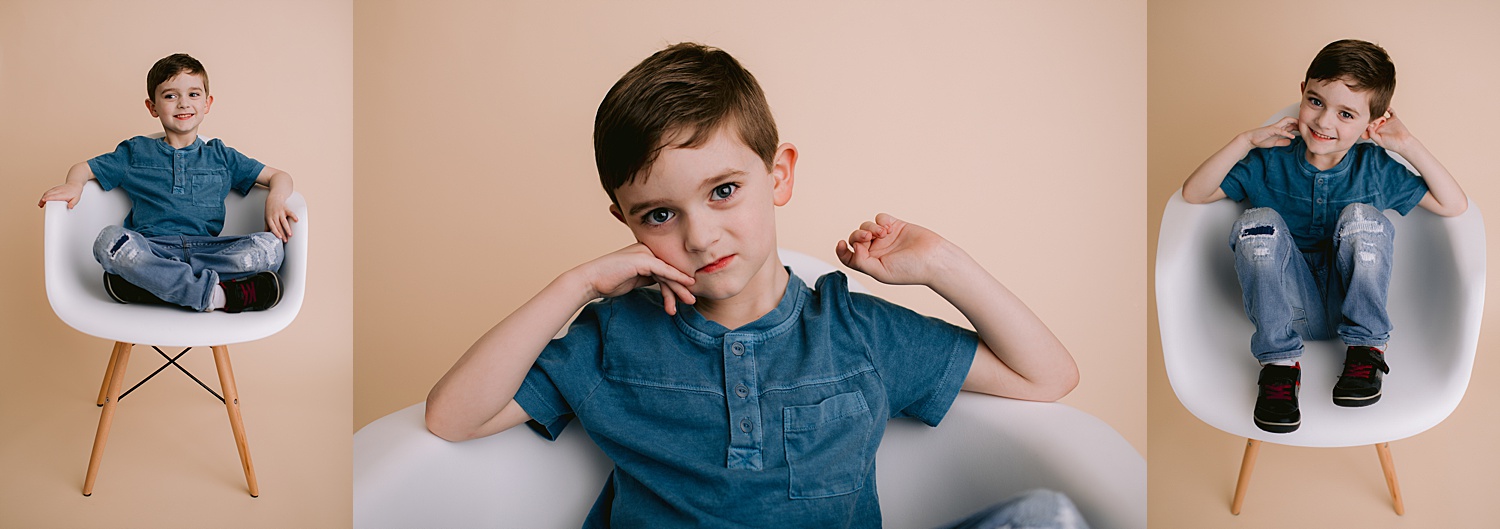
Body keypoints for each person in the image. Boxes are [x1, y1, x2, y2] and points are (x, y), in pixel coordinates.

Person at [426, 42, 1085, 527]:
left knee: (1046, 516)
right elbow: (452, 416)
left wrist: (941, 262)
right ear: (625, 223)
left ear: (779, 176)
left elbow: (1047, 375)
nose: (700, 235)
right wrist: (576, 285)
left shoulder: (857, 332)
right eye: (659, 214)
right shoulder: (612, 341)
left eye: (723, 191)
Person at [1180, 39, 1467, 434]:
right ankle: (1280, 367)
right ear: (1302, 93)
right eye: (1316, 102)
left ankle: (1366, 349)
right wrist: (1246, 140)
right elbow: (1194, 192)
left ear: (1371, 122)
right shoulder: (1271, 158)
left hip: (1349, 305)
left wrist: (1406, 144)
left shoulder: (1375, 168)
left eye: (1346, 113)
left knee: (1362, 217)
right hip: (1286, 308)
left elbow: (1454, 204)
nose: (1324, 122)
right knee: (1257, 221)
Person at [38, 53, 296, 313]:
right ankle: (219, 296)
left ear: (207, 103)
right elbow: (83, 168)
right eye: (171, 96)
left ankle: (149, 284)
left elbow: (279, 177)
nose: (183, 104)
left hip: (209, 253)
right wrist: (74, 185)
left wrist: (274, 200)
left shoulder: (222, 156)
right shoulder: (136, 152)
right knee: (108, 241)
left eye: (193, 95)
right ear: (152, 107)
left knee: (271, 247)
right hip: (152, 249)